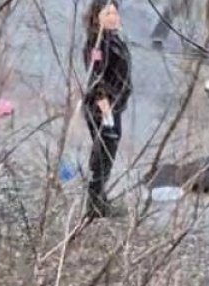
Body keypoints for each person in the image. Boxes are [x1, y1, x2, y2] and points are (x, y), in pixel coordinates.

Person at [83, 0, 132, 218]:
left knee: (108, 155)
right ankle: (94, 204)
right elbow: (96, 79)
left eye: (115, 13)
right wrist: (106, 111)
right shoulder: (97, 44)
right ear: (97, 16)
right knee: (102, 154)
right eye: (108, 13)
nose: (114, 17)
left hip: (116, 106)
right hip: (104, 109)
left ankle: (99, 198)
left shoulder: (113, 39)